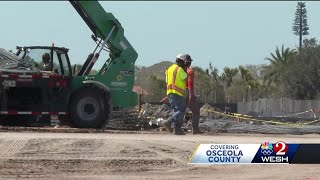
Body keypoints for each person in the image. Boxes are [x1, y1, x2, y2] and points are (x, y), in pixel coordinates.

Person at [162, 54, 188, 135]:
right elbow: (186, 79)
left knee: (176, 111)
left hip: (170, 93)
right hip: (178, 93)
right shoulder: (179, 70)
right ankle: (169, 121)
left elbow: (167, 81)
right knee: (181, 110)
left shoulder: (168, 69)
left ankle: (177, 130)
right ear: (181, 61)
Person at [180, 54, 203, 134]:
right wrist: (191, 95)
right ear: (189, 63)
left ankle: (176, 128)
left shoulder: (178, 71)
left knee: (180, 111)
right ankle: (195, 129)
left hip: (179, 92)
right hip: (187, 92)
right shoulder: (190, 71)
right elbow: (190, 84)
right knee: (196, 111)